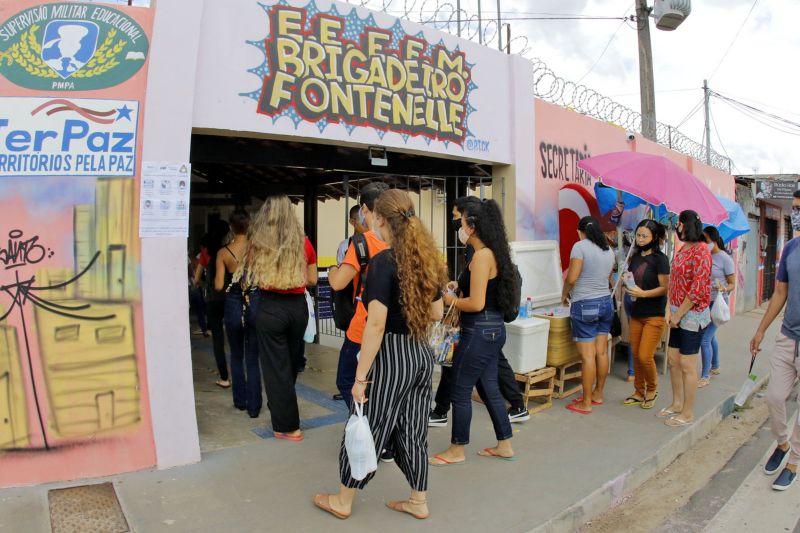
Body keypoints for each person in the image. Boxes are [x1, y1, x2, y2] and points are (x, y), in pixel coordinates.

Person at [313, 189, 446, 520]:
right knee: (414, 430)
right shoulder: (425, 258)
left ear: (380, 219)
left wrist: (360, 378)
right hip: (420, 354)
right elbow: (436, 313)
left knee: (368, 425)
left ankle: (343, 500)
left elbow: (375, 326)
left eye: (370, 216)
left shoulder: (384, 262)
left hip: (392, 355)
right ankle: (418, 500)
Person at [430, 198, 519, 465]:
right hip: (491, 329)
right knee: (490, 388)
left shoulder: (482, 256)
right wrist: (460, 286)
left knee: (459, 389)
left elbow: (477, 303)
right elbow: (483, 294)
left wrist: (448, 301)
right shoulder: (489, 253)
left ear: (472, 226)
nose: (457, 225)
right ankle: (505, 444)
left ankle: (457, 449)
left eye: (460, 220)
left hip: (479, 331)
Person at [243, 195, 317, 441]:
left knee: (276, 368)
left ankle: (288, 426)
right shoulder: (305, 244)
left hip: (270, 306)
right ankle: (281, 406)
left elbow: (252, 274)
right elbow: (313, 280)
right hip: (297, 309)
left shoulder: (258, 244)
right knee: (291, 363)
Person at [749, 190, 800, 490]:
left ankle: (794, 460)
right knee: (774, 398)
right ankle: (781, 444)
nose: (796, 215)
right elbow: (780, 292)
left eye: (799, 209)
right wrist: (761, 330)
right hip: (787, 338)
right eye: (794, 209)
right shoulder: (791, 248)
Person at [328, 182, 389, 408]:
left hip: (363, 325)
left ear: (365, 209)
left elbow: (338, 282)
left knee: (346, 380)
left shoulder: (362, 242)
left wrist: (333, 269)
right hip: (394, 326)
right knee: (381, 381)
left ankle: (365, 422)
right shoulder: (403, 240)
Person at [659, 210, 711, 427]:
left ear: (684, 224)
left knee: (687, 364)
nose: (676, 227)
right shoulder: (682, 249)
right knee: (673, 360)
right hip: (676, 311)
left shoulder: (702, 251)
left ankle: (688, 412)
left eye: (678, 223)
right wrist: (669, 310)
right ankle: (677, 403)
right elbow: (674, 281)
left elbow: (698, 288)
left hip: (692, 314)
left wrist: (679, 314)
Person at [562, 216, 615, 415]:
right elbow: (608, 278)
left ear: (580, 231)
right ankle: (597, 394)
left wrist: (564, 292)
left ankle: (585, 403)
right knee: (601, 352)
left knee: (587, 357)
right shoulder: (608, 249)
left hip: (585, 304)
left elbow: (573, 277)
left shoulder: (580, 247)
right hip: (605, 303)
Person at [216, 209, 262, 417]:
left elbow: (218, 285)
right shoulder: (257, 250)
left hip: (233, 303)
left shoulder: (223, 253)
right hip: (254, 301)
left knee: (236, 354)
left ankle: (240, 401)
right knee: (253, 357)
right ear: (249, 225)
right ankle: (254, 407)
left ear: (231, 227)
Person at [621, 220, 669, 410]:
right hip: (636, 311)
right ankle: (639, 391)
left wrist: (643, 294)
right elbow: (633, 280)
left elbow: (664, 288)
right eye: (638, 235)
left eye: (644, 236)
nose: (640, 240)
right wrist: (627, 283)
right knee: (634, 353)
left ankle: (652, 389)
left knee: (644, 356)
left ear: (654, 238)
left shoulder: (660, 259)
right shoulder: (635, 257)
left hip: (654, 314)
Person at [698, 226, 735, 387]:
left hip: (718, 302)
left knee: (704, 339)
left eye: (705, 240)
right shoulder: (704, 256)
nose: (704, 244)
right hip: (706, 301)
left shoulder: (725, 258)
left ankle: (705, 375)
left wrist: (723, 288)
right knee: (711, 336)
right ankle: (715, 366)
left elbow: (732, 283)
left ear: (713, 240)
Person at [204, 220, 234, 388]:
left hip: (213, 299)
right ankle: (237, 374)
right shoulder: (228, 252)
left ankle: (224, 377)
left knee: (218, 340)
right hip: (229, 298)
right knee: (235, 339)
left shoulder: (210, 253)